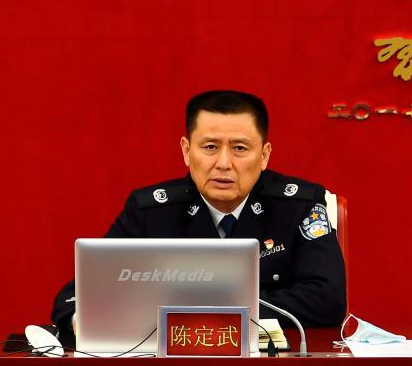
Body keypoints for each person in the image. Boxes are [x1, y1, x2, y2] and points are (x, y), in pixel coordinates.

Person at [50, 90, 347, 343]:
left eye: (240, 148)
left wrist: (193, 311)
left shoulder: (299, 206)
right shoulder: (151, 211)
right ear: (186, 150)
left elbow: (327, 301)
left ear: (264, 155)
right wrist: (82, 319)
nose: (224, 163)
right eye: (210, 147)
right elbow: (76, 297)